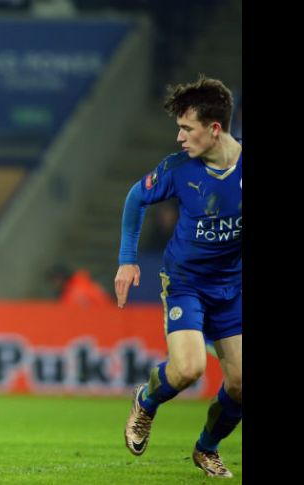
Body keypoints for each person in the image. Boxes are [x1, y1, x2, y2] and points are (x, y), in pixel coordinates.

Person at [115, 76, 242, 477]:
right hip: (186, 283)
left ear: (214, 128)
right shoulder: (178, 169)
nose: (179, 137)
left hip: (233, 287)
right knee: (188, 369)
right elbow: (136, 197)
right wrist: (127, 260)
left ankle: (207, 448)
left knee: (241, 384)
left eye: (187, 128)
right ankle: (146, 402)